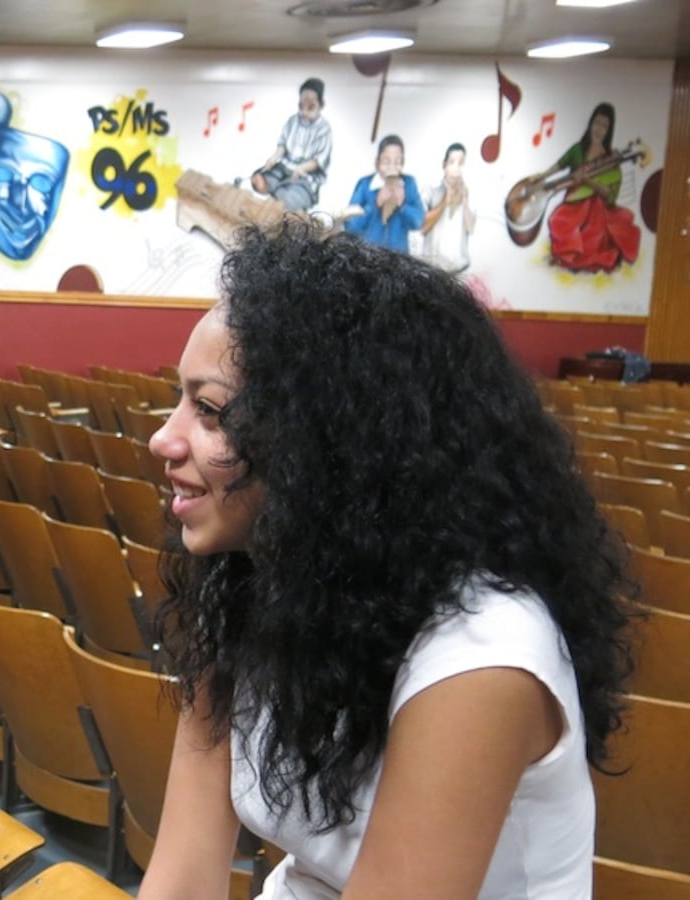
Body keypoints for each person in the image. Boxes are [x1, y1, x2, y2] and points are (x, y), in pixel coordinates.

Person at [139, 221, 632, 899]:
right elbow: (183, 876)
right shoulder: (258, 579)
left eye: (211, 411)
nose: (162, 438)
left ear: (330, 445)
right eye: (179, 400)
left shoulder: (482, 657)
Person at [543, 102, 641, 274]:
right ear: (590, 124)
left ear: (609, 130)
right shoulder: (578, 150)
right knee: (556, 220)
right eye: (597, 123)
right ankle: (566, 254)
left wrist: (588, 180)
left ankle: (582, 258)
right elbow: (560, 164)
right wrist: (542, 177)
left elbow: (609, 195)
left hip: (595, 209)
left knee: (592, 236)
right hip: (573, 202)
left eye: (604, 125)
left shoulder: (610, 160)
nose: (599, 129)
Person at [248, 78, 332, 213]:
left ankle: (279, 197)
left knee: (287, 197)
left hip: (304, 176)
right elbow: (282, 146)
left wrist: (300, 168)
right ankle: (274, 193)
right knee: (257, 179)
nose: (304, 112)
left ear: (321, 105)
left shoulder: (324, 128)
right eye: (301, 107)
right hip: (283, 169)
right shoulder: (292, 121)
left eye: (310, 108)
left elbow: (318, 161)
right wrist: (273, 158)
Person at [342, 134, 424, 253]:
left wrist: (402, 206)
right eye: (386, 162)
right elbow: (351, 226)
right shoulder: (365, 184)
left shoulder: (408, 184)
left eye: (398, 162)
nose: (392, 168)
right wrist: (375, 204)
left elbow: (418, 222)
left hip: (398, 259)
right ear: (377, 162)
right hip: (368, 257)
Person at [420, 142, 475, 273]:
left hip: (460, 270)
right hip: (432, 270)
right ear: (444, 165)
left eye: (461, 163)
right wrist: (444, 201)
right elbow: (422, 227)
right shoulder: (430, 190)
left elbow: (471, 228)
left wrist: (465, 201)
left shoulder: (468, 192)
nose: (456, 167)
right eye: (452, 162)